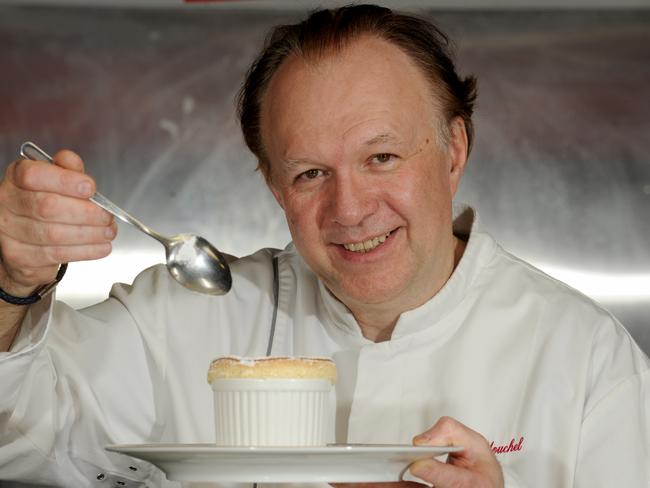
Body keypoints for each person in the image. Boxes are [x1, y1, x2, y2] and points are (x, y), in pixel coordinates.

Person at [0, 4, 647, 488]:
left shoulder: (586, 358)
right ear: (274, 186)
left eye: (382, 156)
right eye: (310, 172)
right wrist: (11, 279)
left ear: (454, 150)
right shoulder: (186, 316)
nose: (351, 209)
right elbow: (22, 439)